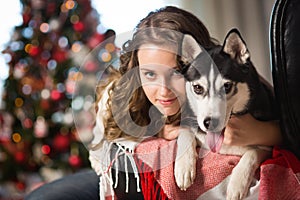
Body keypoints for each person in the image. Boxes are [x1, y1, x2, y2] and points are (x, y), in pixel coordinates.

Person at [25, 6, 282, 200]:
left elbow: (286, 125)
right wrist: (162, 132)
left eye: (176, 73)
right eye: (149, 73)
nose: (163, 90)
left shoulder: (227, 77)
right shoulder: (117, 97)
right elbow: (101, 155)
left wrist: (267, 132)